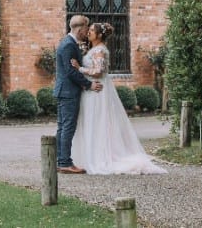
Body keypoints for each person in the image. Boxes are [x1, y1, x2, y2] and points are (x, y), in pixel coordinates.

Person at [71, 22, 166, 175]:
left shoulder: (100, 50)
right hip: (92, 89)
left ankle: (101, 158)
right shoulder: (94, 49)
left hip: (98, 90)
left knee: (98, 122)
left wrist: (79, 68)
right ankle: (92, 155)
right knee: (92, 121)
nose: (88, 32)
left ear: (99, 35)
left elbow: (99, 71)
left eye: (91, 31)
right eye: (88, 30)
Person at [54, 14, 103, 174]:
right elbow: (69, 71)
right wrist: (88, 84)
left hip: (65, 91)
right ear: (80, 29)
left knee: (63, 127)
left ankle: (60, 160)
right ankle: (65, 162)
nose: (87, 33)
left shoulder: (68, 42)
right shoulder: (68, 45)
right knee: (67, 127)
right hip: (68, 91)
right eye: (86, 29)